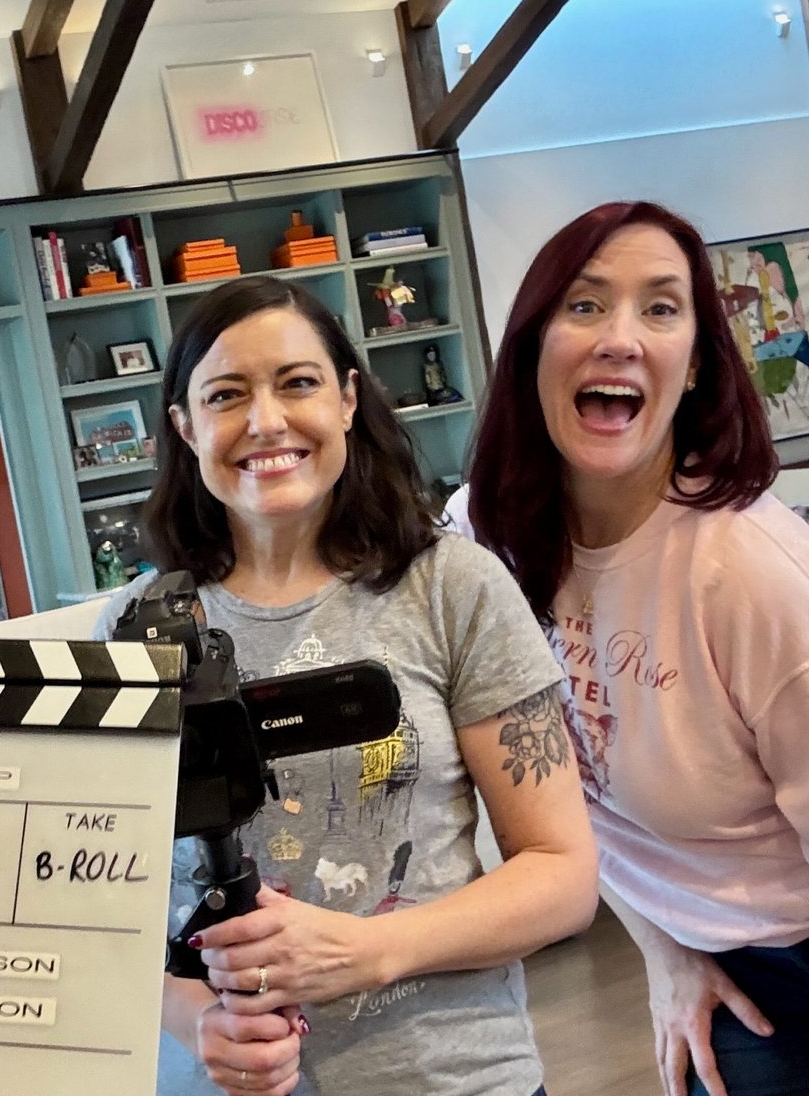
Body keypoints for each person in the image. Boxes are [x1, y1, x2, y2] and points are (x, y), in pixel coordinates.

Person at [94, 276, 598, 1096]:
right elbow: (106, 898)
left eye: (298, 383)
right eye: (226, 395)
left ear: (349, 399)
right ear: (185, 427)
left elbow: (563, 875)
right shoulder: (134, 627)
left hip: (451, 1079)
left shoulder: (453, 587)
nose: (266, 421)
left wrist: (365, 952)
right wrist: (199, 1022)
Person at [451, 201, 809, 1096]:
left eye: (660, 308)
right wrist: (662, 944)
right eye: (584, 304)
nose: (619, 337)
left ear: (695, 367)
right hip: (694, 945)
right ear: (532, 348)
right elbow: (564, 808)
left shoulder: (751, 572)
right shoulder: (482, 541)